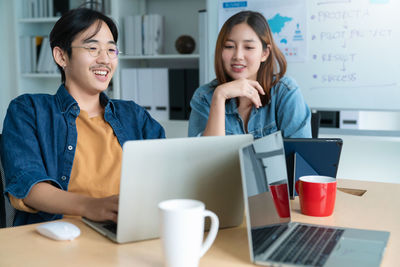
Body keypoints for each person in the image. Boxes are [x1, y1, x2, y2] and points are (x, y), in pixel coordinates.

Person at [0, 8, 165, 226]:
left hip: (127, 230)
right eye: (93, 48)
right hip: (58, 236)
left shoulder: (134, 115)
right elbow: (28, 186)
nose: (105, 59)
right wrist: (91, 206)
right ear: (61, 56)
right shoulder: (29, 109)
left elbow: (166, 174)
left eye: (111, 50)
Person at [188, 11, 311, 139]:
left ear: (264, 53)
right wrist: (220, 96)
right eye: (229, 46)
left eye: (248, 47)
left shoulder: (285, 91)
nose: (238, 56)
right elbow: (206, 157)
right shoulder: (204, 97)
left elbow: (301, 156)